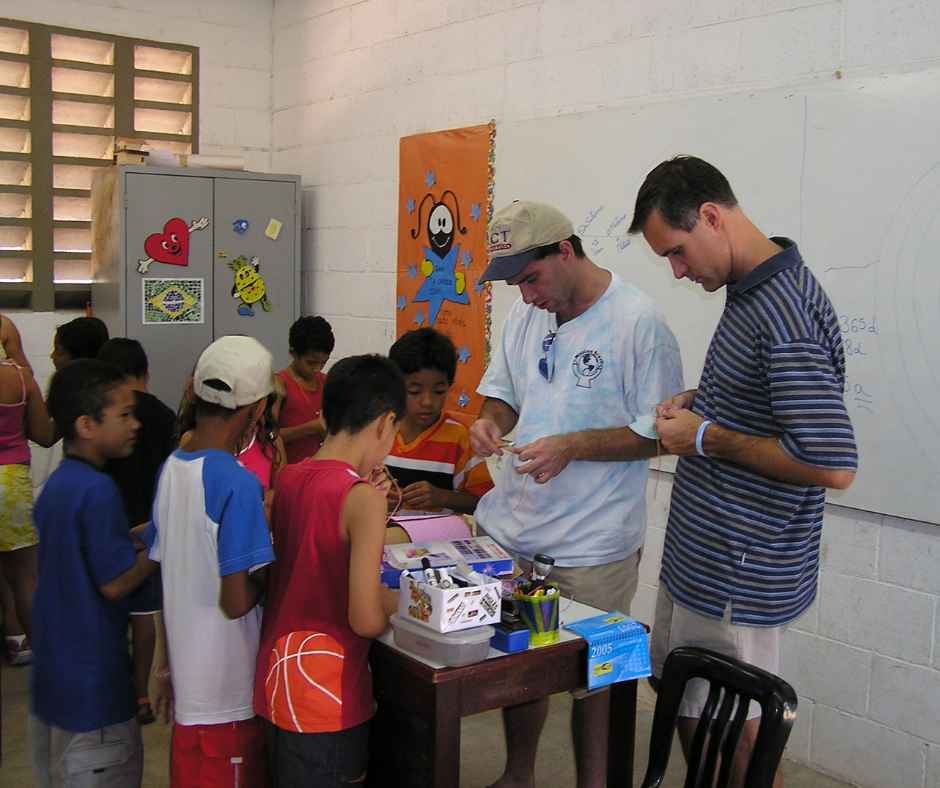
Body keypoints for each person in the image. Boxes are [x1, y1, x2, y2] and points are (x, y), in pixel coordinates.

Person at [629, 155, 858, 788]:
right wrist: (705, 399)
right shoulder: (751, 289)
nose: (677, 271)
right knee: (691, 703)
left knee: (735, 731)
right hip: (705, 558)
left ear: (710, 216)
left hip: (741, 566)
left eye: (676, 252)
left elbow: (830, 464)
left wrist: (703, 436)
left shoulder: (783, 312)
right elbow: (772, 399)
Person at [469, 200, 683, 788]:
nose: (526, 295)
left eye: (531, 278)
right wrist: (489, 421)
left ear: (565, 251)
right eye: (515, 284)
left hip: (594, 549)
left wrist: (572, 445)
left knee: (600, 680)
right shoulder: (526, 316)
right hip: (516, 531)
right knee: (521, 665)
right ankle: (518, 775)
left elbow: (659, 436)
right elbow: (504, 393)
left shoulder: (638, 322)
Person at [254, 354, 403, 787]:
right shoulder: (363, 499)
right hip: (329, 697)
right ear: (384, 423)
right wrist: (409, 600)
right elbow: (366, 618)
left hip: (277, 680)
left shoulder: (290, 478)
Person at [143, 335, 275, 788]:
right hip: (228, 695)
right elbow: (236, 601)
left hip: (189, 690)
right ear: (256, 410)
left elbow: (166, 575)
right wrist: (275, 573)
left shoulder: (172, 468)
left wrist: (163, 667)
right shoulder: (238, 485)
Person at [31, 359, 157, 788]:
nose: (135, 424)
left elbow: (87, 552)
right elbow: (115, 582)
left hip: (56, 688)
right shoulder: (99, 491)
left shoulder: (60, 486)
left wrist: (138, 535)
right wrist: (163, 549)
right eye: (123, 414)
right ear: (86, 424)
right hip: (96, 698)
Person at [98, 338, 178, 725]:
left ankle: (113, 685)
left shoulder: (103, 415)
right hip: (152, 521)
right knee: (146, 612)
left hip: (113, 521)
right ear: (145, 372)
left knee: (112, 610)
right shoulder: (163, 414)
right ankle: (141, 693)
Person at [386, 327, 493, 518]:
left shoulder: (460, 438)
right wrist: (372, 496)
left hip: (438, 543)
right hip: (383, 539)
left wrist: (443, 498)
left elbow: (485, 502)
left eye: (439, 391)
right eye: (414, 391)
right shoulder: (378, 431)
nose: (427, 402)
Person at [0, 351, 55, 665]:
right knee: (23, 577)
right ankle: (39, 650)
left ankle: (12, 637)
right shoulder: (21, 378)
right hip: (12, 482)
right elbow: (44, 435)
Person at [32, 316, 110, 499]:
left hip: (82, 480)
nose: (52, 356)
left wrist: (26, 392)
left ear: (77, 355)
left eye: (59, 351)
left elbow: (46, 436)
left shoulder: (68, 386)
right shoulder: (114, 383)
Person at [277, 315, 334, 464]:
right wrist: (310, 428)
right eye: (311, 362)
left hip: (321, 471)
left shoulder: (327, 382)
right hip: (290, 471)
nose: (317, 369)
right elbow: (266, 438)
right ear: (293, 353)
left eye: (323, 362)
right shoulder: (279, 385)